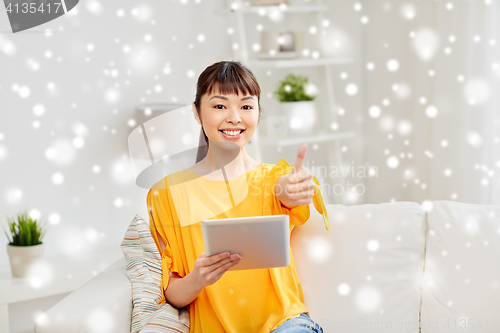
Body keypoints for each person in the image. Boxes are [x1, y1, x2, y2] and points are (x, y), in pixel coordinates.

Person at [147, 60, 330, 333]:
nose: (235, 117)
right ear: (197, 113)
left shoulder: (275, 177)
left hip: (285, 324)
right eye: (220, 106)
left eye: (246, 106)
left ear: (258, 112)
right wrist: (197, 278)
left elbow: (286, 191)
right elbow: (172, 292)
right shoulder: (167, 193)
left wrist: (294, 190)